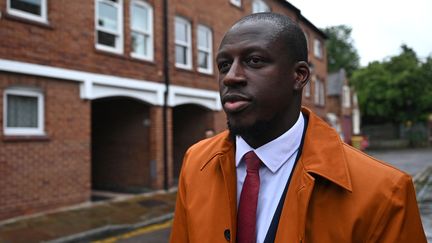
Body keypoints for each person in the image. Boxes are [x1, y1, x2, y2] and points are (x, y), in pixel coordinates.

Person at [170, 13, 426, 243]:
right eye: (224, 65)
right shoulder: (195, 162)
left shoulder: (385, 192)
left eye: (254, 60)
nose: (230, 76)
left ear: (299, 75)